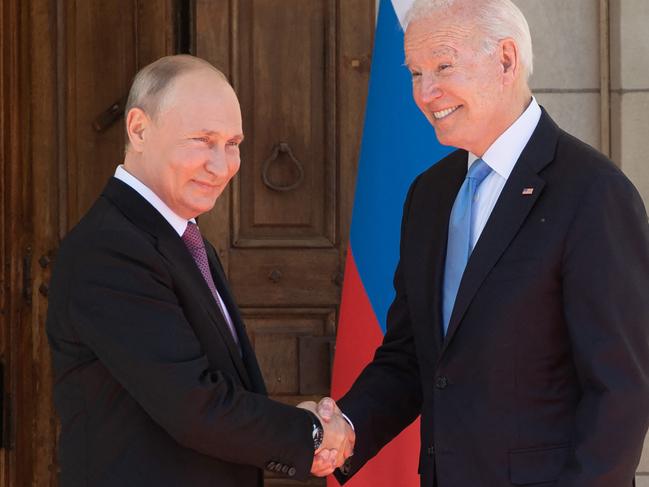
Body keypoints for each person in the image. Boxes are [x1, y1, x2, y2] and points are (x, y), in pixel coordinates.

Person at [318, 0, 649, 485]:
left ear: (507, 60)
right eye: (415, 73)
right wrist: (346, 427)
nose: (426, 92)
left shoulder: (593, 192)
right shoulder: (428, 194)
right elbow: (411, 356)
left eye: (444, 66)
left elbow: (620, 390)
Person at [46, 54, 353, 487]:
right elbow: (194, 406)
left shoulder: (183, 238)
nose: (222, 165)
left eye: (232, 143)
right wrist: (311, 434)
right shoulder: (110, 249)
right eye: (202, 139)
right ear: (138, 129)